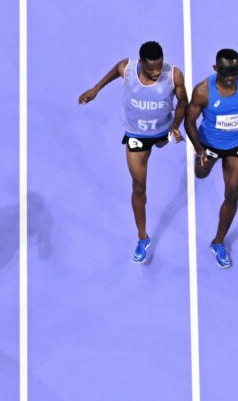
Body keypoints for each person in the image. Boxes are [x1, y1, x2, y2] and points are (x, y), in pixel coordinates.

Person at [78, 40, 187, 262]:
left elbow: (183, 102)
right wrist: (96, 88)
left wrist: (176, 125)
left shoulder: (174, 75)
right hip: (137, 136)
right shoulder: (126, 68)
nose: (156, 72)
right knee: (138, 187)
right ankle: (142, 237)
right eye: (151, 69)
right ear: (141, 64)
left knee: (161, 144)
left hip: (163, 131)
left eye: (159, 66)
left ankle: (162, 139)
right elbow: (113, 73)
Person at [184, 48, 238, 268]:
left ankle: (218, 242)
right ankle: (203, 160)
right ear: (215, 68)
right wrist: (200, 150)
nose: (231, 77)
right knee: (200, 174)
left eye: (234, 71)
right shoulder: (203, 91)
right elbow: (189, 122)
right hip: (209, 145)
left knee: (232, 195)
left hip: (237, 145)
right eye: (226, 72)